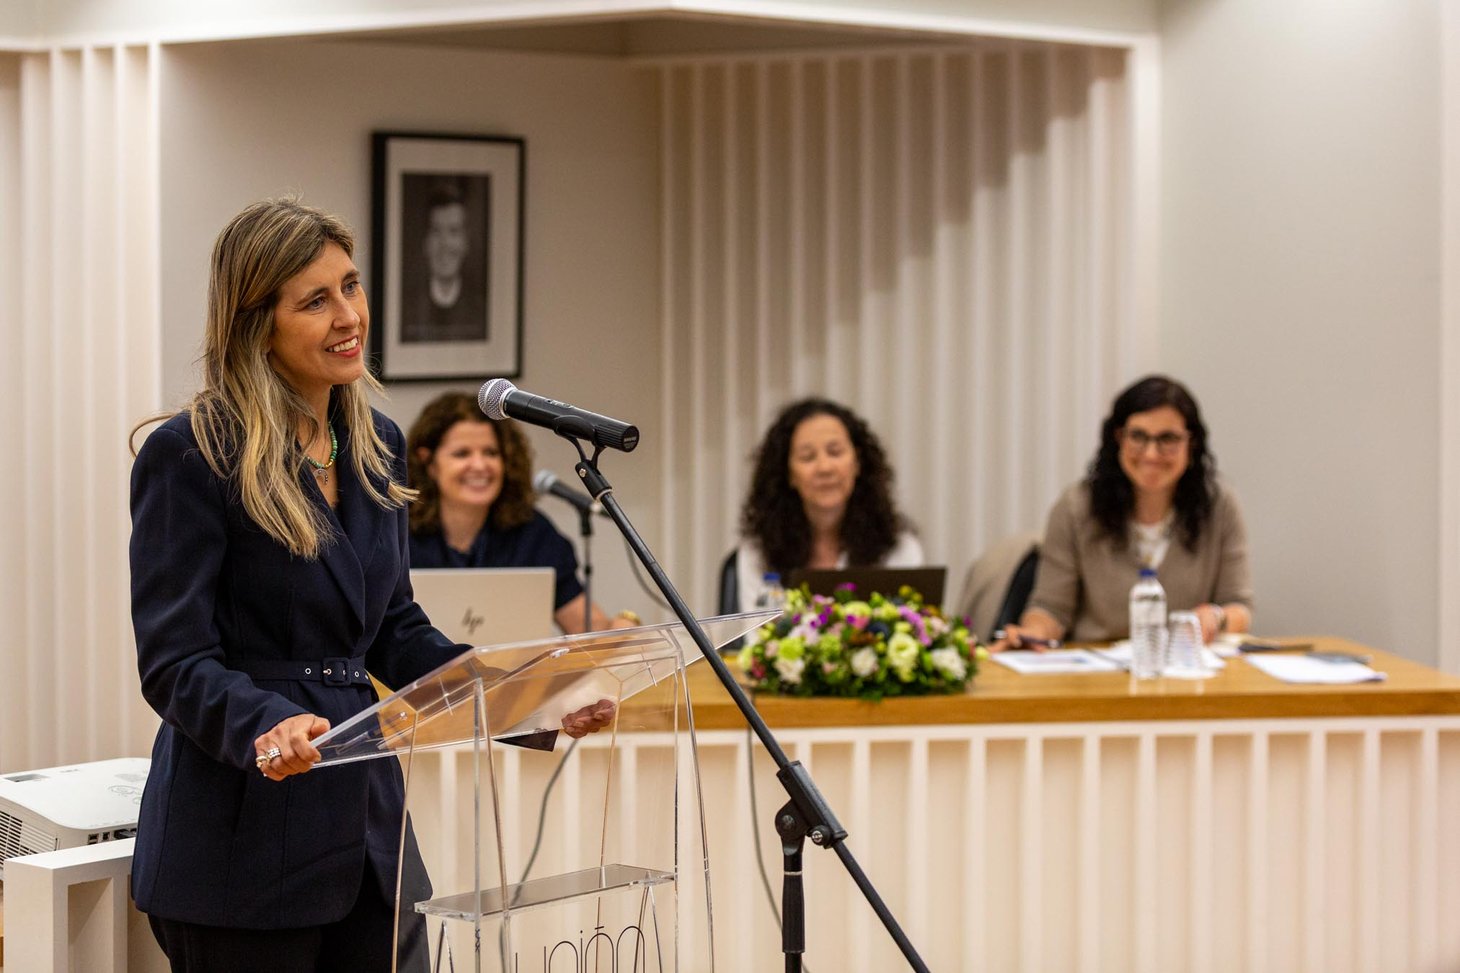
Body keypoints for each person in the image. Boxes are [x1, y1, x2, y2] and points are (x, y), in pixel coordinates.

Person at [128, 197, 613, 973]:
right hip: (240, 842)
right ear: (258, 325)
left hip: (367, 839)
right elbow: (174, 661)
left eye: (350, 286)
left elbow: (395, 631)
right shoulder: (193, 453)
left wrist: (528, 701)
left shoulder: (376, 444)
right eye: (315, 300)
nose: (349, 315)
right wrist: (268, 723)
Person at [997, 374, 1253, 649]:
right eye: (1138, 437)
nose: (1151, 454)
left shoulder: (1219, 505)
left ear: (1192, 443)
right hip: (1097, 666)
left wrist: (1217, 618)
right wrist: (1032, 633)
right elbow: (1051, 608)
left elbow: (1238, 605)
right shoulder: (1076, 507)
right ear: (1118, 438)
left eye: (1168, 439)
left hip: (1185, 664)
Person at [405, 391, 634, 634]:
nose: (480, 466)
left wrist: (625, 625)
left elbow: (587, 629)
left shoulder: (532, 533)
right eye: (462, 454)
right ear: (428, 462)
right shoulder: (397, 530)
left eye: (491, 453)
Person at [734, 397, 923, 610]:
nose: (824, 468)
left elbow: (911, 624)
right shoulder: (758, 553)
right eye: (807, 457)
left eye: (835, 452)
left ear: (857, 463)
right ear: (788, 474)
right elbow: (757, 630)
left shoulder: (898, 548)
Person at [401, 180, 487, 343]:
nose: (445, 244)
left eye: (454, 231)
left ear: (466, 242)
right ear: (426, 241)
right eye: (436, 231)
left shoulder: (481, 307)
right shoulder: (406, 307)